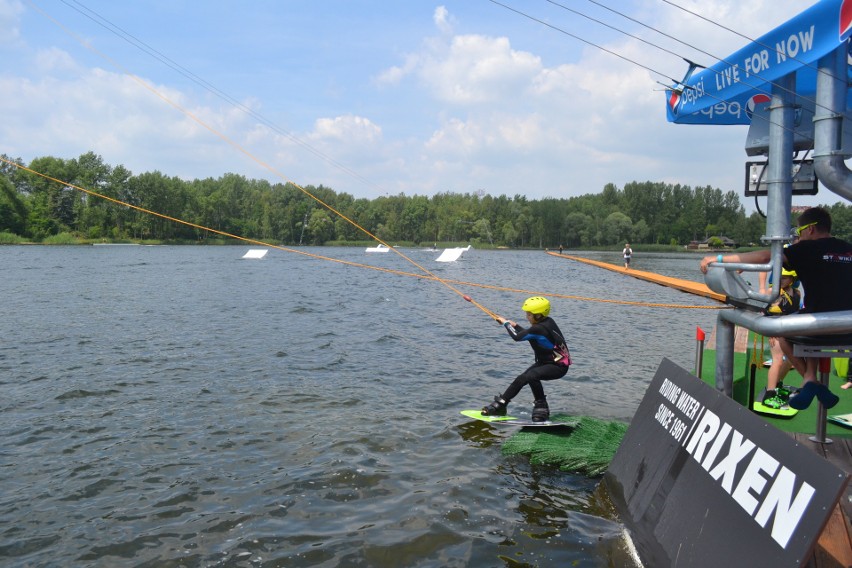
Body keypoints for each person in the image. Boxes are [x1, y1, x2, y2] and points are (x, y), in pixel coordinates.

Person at [700, 207, 852, 410]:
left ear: (811, 229)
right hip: (846, 329)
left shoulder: (807, 249)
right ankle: (809, 378)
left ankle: (809, 380)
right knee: (815, 334)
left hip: (818, 326)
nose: (799, 236)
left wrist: (718, 259)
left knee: (782, 335)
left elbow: (766, 258)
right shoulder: (847, 247)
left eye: (799, 232)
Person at [482, 296, 571, 422]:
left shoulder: (539, 328)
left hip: (558, 367)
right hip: (546, 363)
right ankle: (502, 404)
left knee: (532, 376)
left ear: (538, 316)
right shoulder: (547, 322)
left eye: (529, 314)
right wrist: (516, 325)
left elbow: (518, 337)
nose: (526, 316)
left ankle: (542, 407)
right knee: (522, 378)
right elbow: (531, 335)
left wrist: (506, 323)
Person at [760, 268, 801, 409]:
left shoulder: (797, 293)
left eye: (785, 277)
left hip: (789, 331)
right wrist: (771, 331)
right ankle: (769, 395)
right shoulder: (773, 293)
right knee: (777, 360)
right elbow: (764, 313)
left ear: (792, 279)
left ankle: (777, 385)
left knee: (790, 361)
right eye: (779, 277)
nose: (781, 279)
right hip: (776, 331)